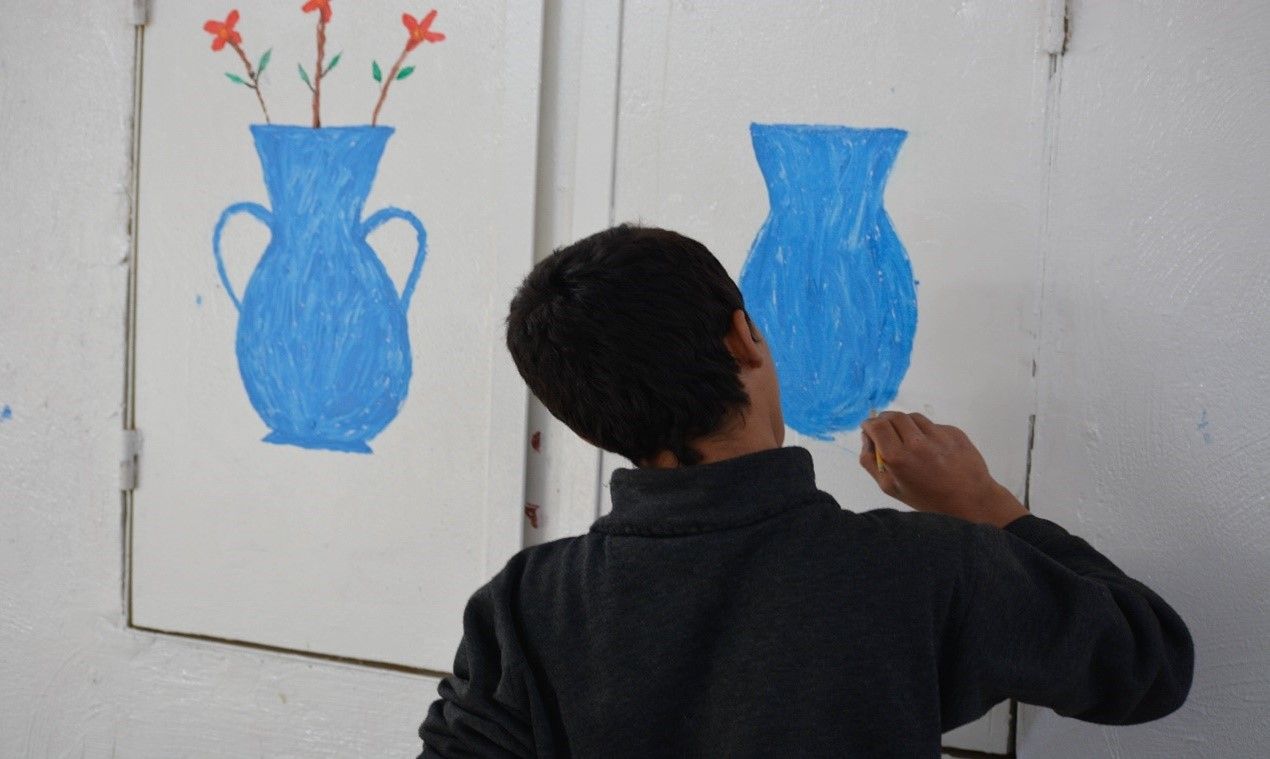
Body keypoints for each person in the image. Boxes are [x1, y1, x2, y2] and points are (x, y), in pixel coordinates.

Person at [418, 224, 1193, 758]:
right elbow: (1148, 663)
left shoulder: (526, 602)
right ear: (743, 338)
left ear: (587, 423)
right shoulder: (920, 569)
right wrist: (985, 503)